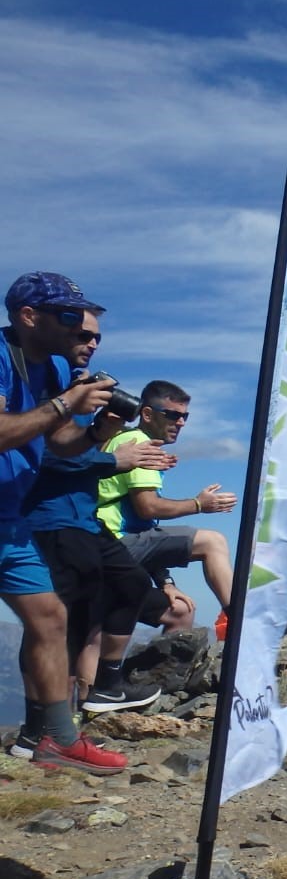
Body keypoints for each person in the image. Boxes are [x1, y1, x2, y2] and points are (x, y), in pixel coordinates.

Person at [20, 310, 174, 739]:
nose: (89, 342)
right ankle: (40, 730)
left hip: (83, 518)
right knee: (57, 622)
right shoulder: (49, 386)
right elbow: (46, 456)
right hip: (52, 517)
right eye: (83, 334)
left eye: (96, 337)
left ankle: (105, 685)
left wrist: (103, 432)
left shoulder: (77, 383)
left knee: (126, 586)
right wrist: (114, 458)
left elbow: (76, 449)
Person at [0, 272, 126, 773]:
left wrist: (97, 429)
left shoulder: (50, 368)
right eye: (69, 316)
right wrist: (64, 404)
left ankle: (58, 738)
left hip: (10, 519)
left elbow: (61, 442)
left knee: (50, 618)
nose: (78, 329)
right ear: (29, 316)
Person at [96, 380, 237, 632]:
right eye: (172, 415)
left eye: (185, 416)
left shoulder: (126, 440)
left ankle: (167, 671)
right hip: (111, 544)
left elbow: (144, 529)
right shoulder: (141, 444)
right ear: (147, 414)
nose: (180, 423)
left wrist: (165, 582)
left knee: (180, 611)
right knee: (213, 541)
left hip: (109, 551)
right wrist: (198, 505)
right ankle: (239, 618)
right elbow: (148, 508)